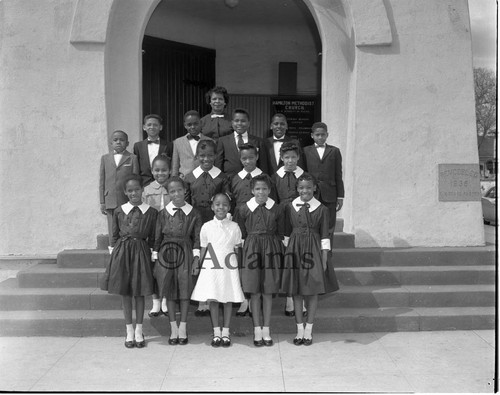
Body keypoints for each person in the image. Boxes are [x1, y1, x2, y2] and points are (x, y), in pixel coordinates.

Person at [281, 173, 339, 345]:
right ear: (297, 189)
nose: (304, 190)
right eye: (301, 187)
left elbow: (325, 236)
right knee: (297, 290)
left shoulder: (322, 209)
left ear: (314, 188)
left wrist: (324, 257)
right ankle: (299, 330)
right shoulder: (290, 206)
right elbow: (285, 232)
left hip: (313, 250)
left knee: (312, 290)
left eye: (308, 187)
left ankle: (308, 330)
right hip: (295, 248)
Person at [102, 174, 157, 349]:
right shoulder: (119, 211)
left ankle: (139, 330)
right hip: (123, 253)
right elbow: (114, 234)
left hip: (141, 252)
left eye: (137, 190)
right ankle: (129, 331)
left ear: (142, 190)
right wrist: (114, 253)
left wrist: (153, 254)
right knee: (125, 292)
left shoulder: (151, 212)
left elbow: (154, 237)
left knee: (139, 292)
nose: (134, 193)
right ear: (125, 192)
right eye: (130, 190)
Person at [235, 174, 284, 347]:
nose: (261, 192)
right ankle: (257, 330)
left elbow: (280, 233)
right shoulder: (243, 209)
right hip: (251, 249)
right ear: (251, 190)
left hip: (271, 248)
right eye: (257, 189)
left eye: (264, 189)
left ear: (270, 190)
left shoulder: (277, 209)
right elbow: (240, 235)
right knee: (254, 291)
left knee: (268, 291)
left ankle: (266, 329)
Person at [153, 176, 202, 345]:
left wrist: (196, 258)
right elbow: (157, 237)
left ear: (185, 191)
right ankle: (173, 328)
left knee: (184, 289)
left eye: (179, 190)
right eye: (172, 191)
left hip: (186, 251)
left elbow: (197, 238)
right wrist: (155, 256)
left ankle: (183, 327)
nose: (176, 194)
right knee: (170, 291)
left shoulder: (194, 213)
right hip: (167, 253)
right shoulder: (163, 214)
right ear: (168, 194)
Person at [184, 139, 232, 316]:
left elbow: (227, 202)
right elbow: (187, 203)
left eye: (210, 155)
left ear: (216, 156)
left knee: (216, 260)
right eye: (202, 155)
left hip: (215, 222)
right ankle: (202, 299)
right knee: (200, 258)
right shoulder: (189, 177)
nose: (206, 159)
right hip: (197, 223)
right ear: (197, 156)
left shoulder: (222, 177)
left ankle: (217, 295)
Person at [191, 193, 245, 347]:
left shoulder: (234, 227)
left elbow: (237, 249)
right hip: (211, 266)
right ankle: (216, 332)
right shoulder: (207, 226)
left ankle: (226, 332)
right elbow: (203, 248)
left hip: (229, 266)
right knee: (213, 299)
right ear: (212, 207)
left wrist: (239, 269)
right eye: (217, 204)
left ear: (229, 207)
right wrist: (199, 265)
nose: (221, 207)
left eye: (225, 204)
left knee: (228, 299)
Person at [270, 141, 307, 317]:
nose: (290, 161)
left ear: (298, 157)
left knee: (300, 258)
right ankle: (289, 299)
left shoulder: (305, 176)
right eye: (286, 157)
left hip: (300, 218)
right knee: (287, 259)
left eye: (293, 157)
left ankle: (301, 297)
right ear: (281, 158)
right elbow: (273, 201)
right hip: (283, 220)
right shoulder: (275, 176)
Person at [230, 143, 263, 317]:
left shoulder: (264, 177)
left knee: (256, 262)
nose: (248, 161)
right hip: (241, 224)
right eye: (244, 158)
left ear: (257, 157)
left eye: (251, 157)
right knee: (242, 261)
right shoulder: (235, 178)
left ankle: (256, 298)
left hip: (258, 226)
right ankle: (244, 298)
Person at [303, 122, 345, 243]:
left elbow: (338, 174)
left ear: (327, 135)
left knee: (329, 226)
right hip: (312, 194)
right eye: (317, 135)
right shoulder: (305, 151)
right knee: (312, 224)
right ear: (312, 135)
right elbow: (304, 174)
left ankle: (327, 258)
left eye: (323, 134)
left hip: (330, 194)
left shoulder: (334, 151)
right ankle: (314, 254)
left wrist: (340, 196)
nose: (320, 137)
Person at [142, 154, 171, 318]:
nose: (161, 173)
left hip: (168, 234)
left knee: (167, 268)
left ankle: (166, 298)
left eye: (164, 170)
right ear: (152, 171)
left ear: (169, 171)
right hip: (152, 234)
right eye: (157, 170)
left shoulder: (173, 187)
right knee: (153, 269)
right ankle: (155, 301)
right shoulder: (146, 190)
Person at [99, 130, 139, 245]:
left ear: (127, 143)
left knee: (126, 224)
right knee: (112, 227)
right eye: (115, 140)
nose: (118, 142)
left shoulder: (132, 158)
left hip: (125, 198)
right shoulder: (105, 158)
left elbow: (135, 180)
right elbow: (102, 181)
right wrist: (102, 201)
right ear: (111, 143)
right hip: (110, 198)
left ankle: (125, 246)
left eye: (121, 140)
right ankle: (113, 248)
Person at [215, 108, 269, 178]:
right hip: (229, 182)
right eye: (236, 121)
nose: (239, 123)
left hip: (253, 182)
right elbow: (218, 165)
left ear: (248, 123)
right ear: (232, 123)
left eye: (243, 121)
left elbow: (263, 166)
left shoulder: (258, 142)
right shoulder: (222, 141)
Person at [171, 110, 213, 178]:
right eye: (189, 125)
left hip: (204, 180)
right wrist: (174, 179)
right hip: (184, 180)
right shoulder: (177, 142)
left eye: (196, 124)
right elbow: (175, 166)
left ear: (201, 123)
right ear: (185, 125)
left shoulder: (210, 141)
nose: (193, 127)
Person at [133, 114, 172, 187]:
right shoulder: (138, 146)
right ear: (144, 127)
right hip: (144, 185)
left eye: (155, 125)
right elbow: (136, 168)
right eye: (149, 125)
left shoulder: (168, 145)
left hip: (164, 184)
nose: (152, 127)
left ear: (160, 127)